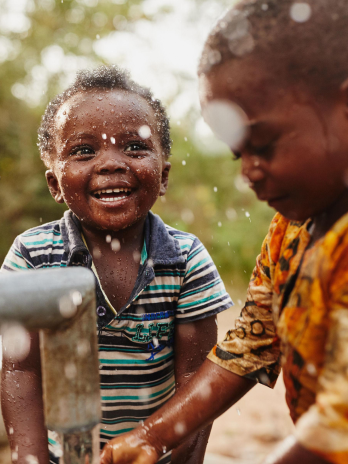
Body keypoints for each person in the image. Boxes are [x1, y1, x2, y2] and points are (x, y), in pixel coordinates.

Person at [99, 1, 348, 463]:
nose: (249, 173)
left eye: (263, 146)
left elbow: (338, 424)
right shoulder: (289, 232)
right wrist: (153, 435)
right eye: (238, 155)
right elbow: (249, 346)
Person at [0, 65, 233, 464]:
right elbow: (20, 370)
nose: (111, 163)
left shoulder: (186, 259)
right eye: (83, 151)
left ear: (162, 176)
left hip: (157, 453)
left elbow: (197, 381)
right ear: (55, 183)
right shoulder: (33, 255)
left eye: (134, 147)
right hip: (62, 457)